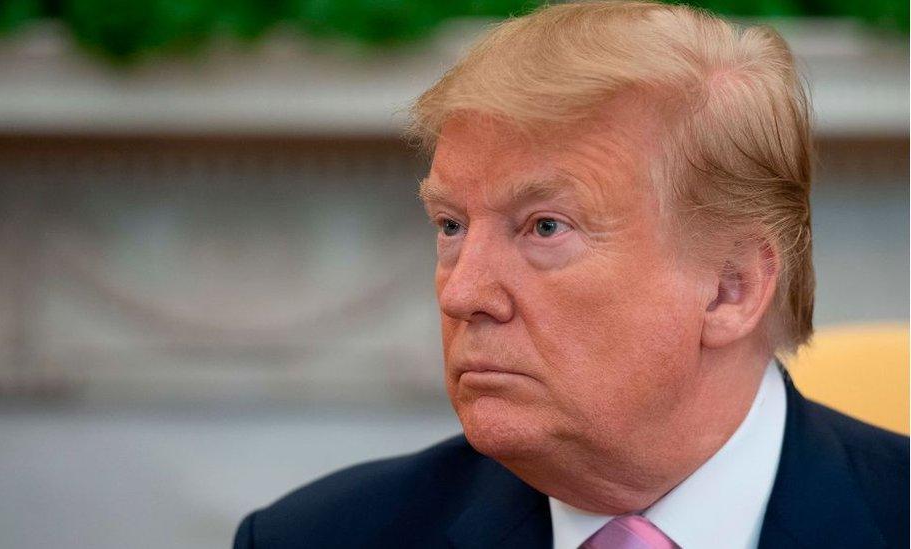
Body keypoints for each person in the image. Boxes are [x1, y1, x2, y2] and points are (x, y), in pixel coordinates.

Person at [233, 2, 909, 548]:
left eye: (545, 227)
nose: (463, 292)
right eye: (450, 226)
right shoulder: (313, 536)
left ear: (731, 287)